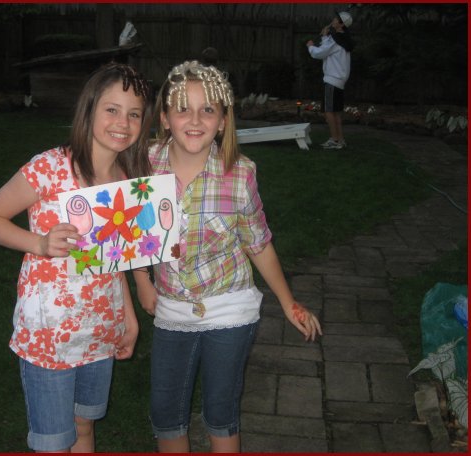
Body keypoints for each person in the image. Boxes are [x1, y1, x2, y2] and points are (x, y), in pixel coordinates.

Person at [133, 60, 322, 453]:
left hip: (230, 307)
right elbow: (134, 232)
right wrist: (142, 281)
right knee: (166, 416)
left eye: (207, 109)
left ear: (222, 121)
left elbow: (258, 242)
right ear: (164, 118)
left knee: (220, 413)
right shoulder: (144, 164)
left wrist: (288, 302)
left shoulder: (240, 173)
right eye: (182, 109)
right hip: (171, 308)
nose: (195, 120)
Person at [0, 62, 153, 453]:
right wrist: (38, 243)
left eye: (134, 114)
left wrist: (129, 317)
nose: (123, 122)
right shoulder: (50, 168)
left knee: (84, 425)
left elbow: (113, 259)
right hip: (48, 335)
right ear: (89, 109)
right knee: (54, 442)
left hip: (100, 330)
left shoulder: (126, 180)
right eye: (112, 109)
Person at [306, 11, 354, 150]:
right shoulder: (342, 39)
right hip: (338, 81)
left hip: (332, 80)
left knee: (329, 111)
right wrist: (325, 36)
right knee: (336, 112)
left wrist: (310, 46)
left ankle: (335, 140)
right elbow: (328, 49)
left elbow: (320, 53)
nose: (333, 20)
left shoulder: (336, 40)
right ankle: (340, 139)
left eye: (336, 19)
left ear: (341, 24)